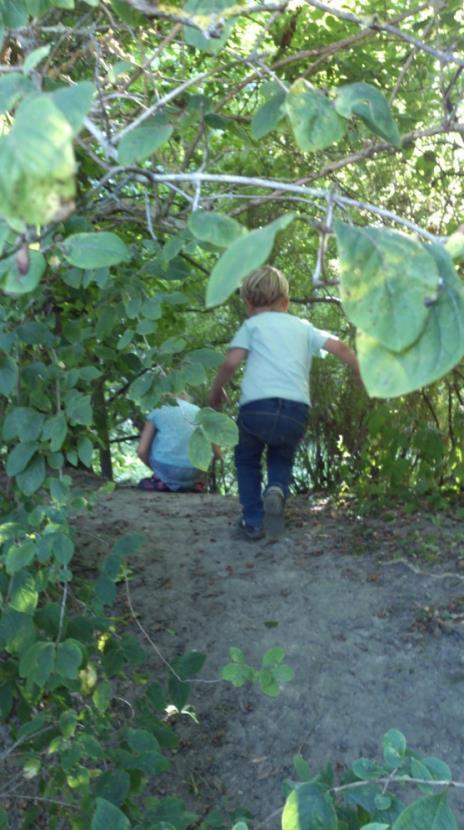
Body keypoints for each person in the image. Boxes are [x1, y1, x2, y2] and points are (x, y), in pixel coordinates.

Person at [208, 266, 361, 540]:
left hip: (256, 407)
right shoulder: (302, 327)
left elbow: (231, 362)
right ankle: (276, 489)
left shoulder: (251, 326)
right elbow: (340, 347)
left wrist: (216, 393)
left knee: (247, 459)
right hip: (295, 410)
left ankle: (253, 521)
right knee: (282, 454)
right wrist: (361, 371)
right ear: (286, 303)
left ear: (247, 303)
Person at [137, 396, 208, 492]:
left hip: (166, 469)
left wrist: (158, 471)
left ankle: (162, 481)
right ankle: (191, 485)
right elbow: (216, 453)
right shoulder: (198, 411)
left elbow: (142, 451)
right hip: (194, 470)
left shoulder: (157, 410)